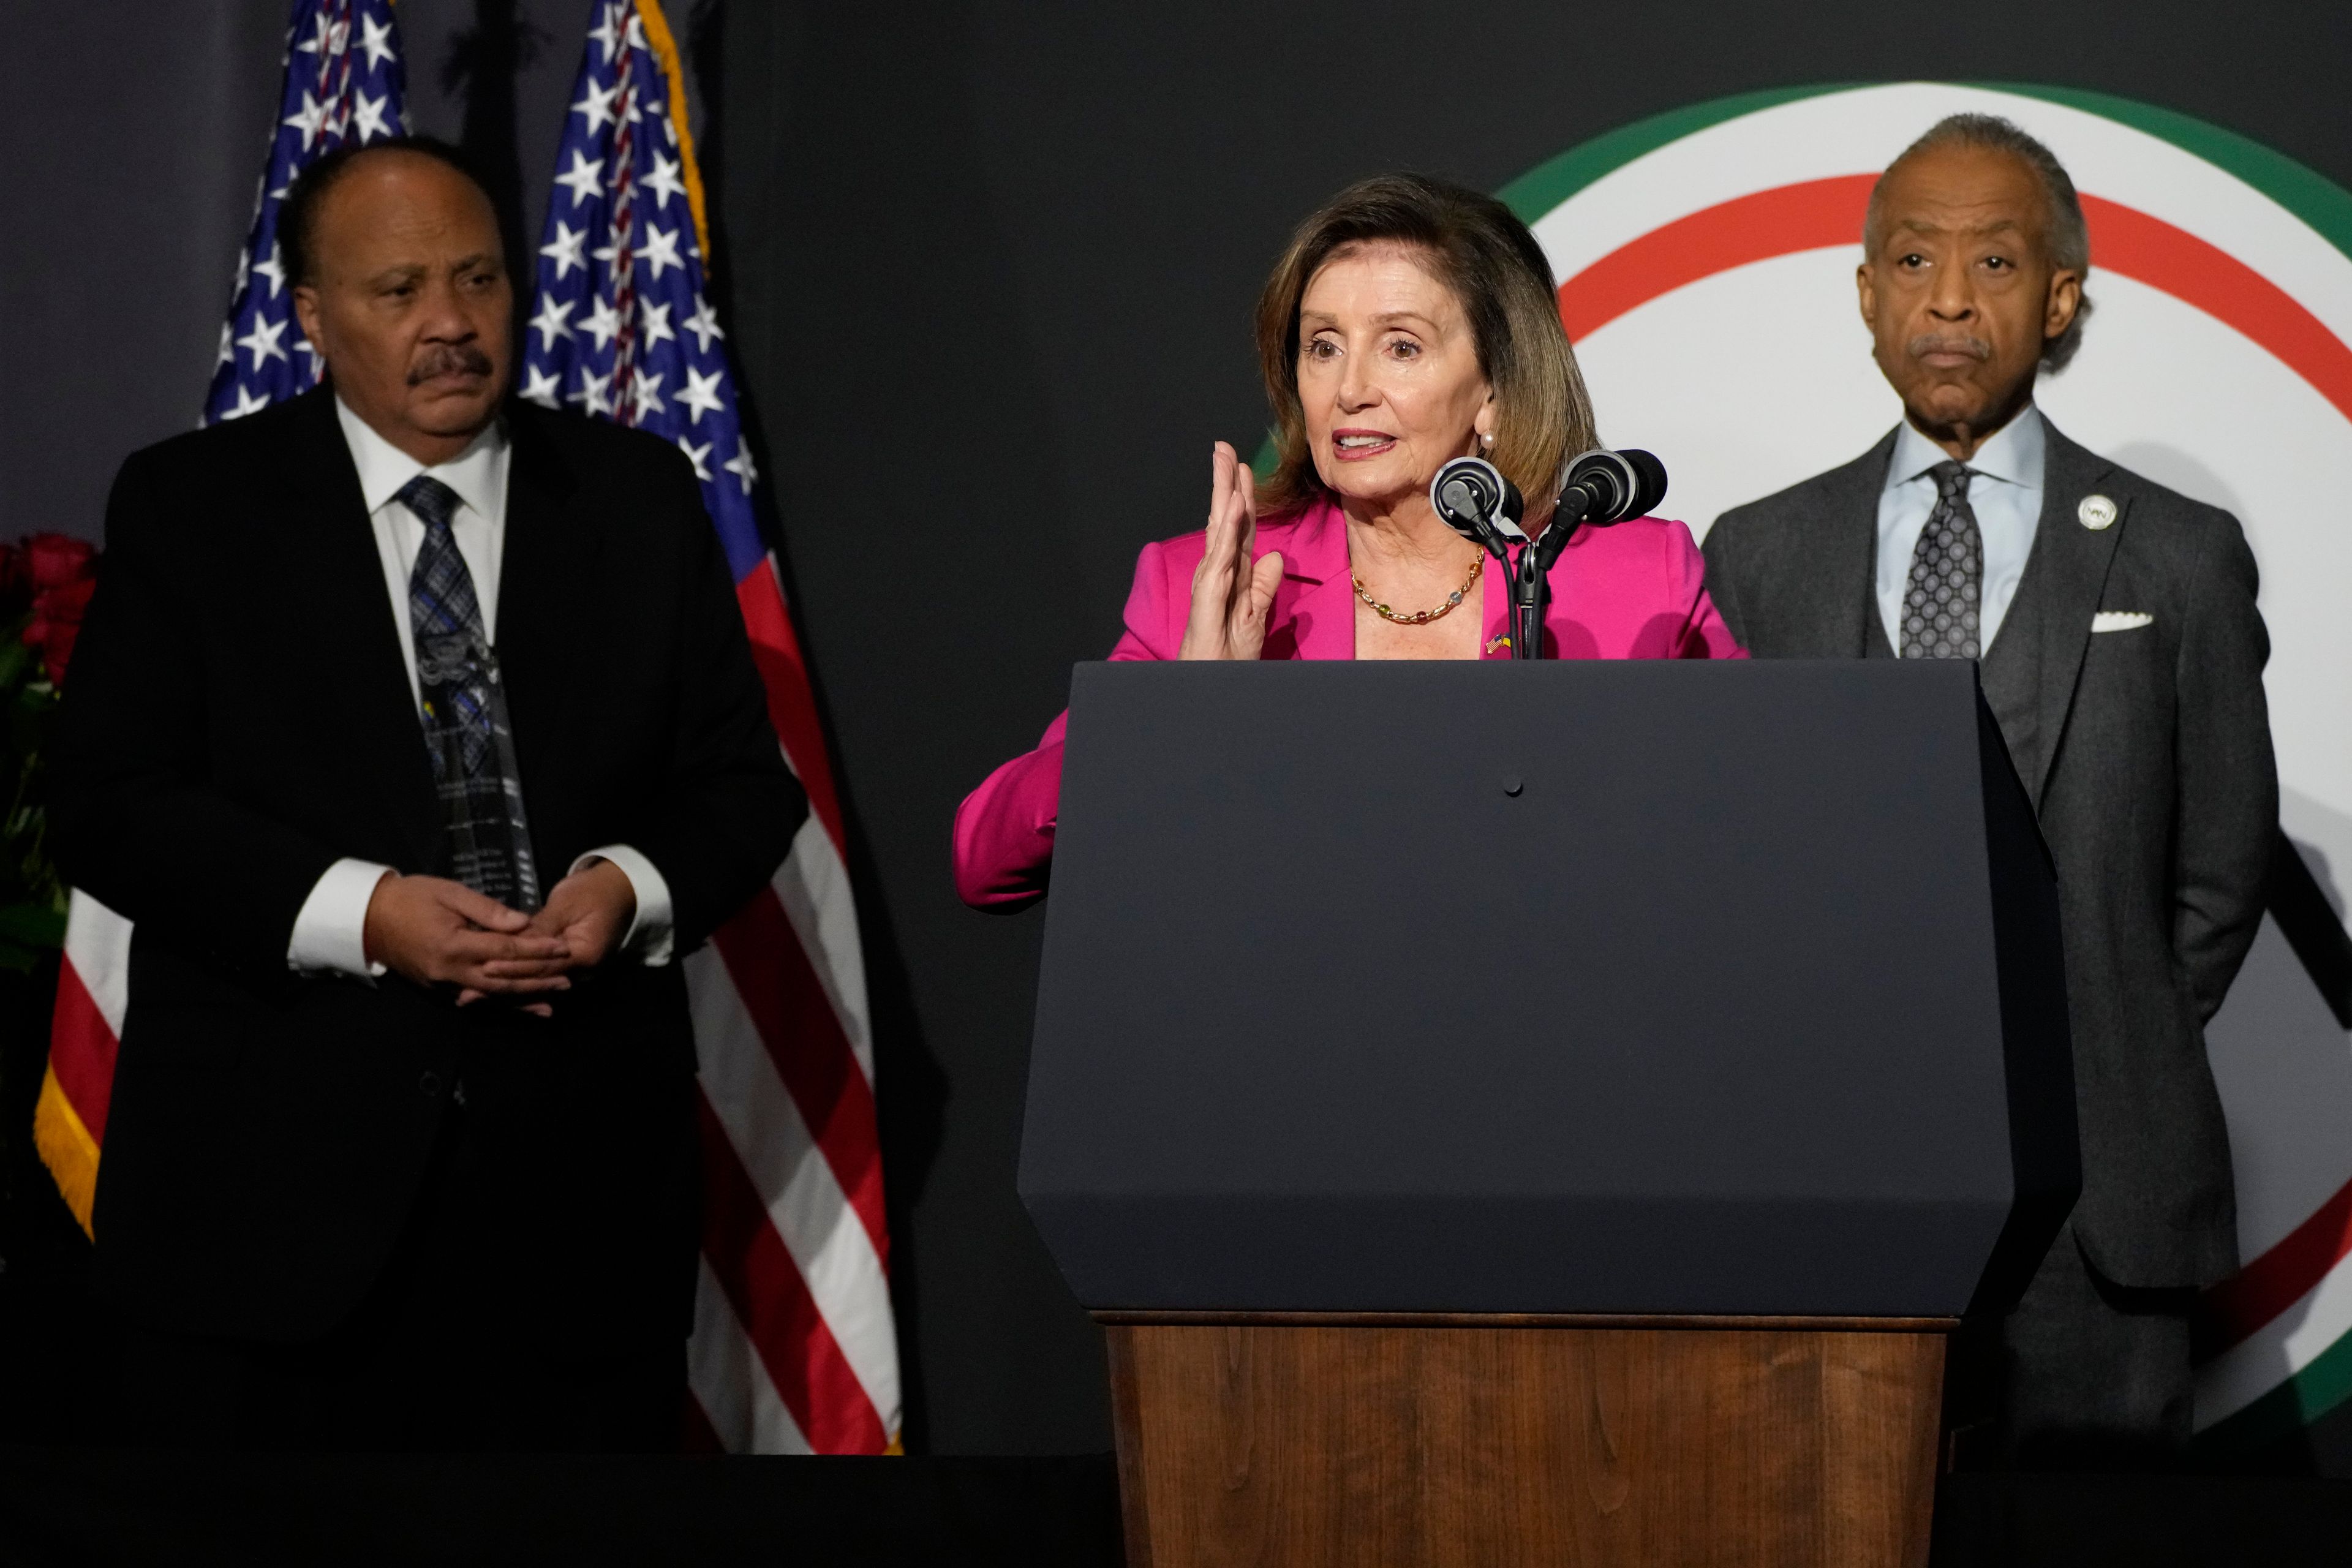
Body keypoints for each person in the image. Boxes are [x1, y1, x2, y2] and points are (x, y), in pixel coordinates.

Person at [51, 137, 801, 1451]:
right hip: (268, 1222)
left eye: (478, 279)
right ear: (312, 318)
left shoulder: (633, 497)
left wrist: (626, 890)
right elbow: (112, 801)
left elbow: (742, 785)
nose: (452, 323)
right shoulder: (194, 507)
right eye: (400, 290)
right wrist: (365, 911)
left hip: (576, 1214)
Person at [1702, 115, 2277, 1467]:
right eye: (1912, 258)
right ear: (1866, 294)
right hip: (1827, 1181)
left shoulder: (2180, 558)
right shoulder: (1756, 555)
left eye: (1997, 262)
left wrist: (2087, 1025)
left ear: (2063, 295)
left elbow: (2219, 875)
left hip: (2104, 1207)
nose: (1950, 297)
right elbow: (1730, 872)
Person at [954, 173, 1743, 908]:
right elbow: (983, 861)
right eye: (1322, 346)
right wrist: (1171, 719)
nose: (1351, 389)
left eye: (1401, 345)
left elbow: (1759, 819)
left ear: (1496, 388)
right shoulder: (1214, 582)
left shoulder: (1642, 578)